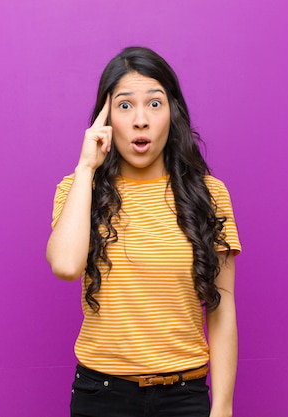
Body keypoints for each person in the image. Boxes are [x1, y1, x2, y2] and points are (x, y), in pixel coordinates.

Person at [46, 46, 241, 417]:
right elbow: (66, 266)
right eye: (124, 106)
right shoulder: (77, 190)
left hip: (184, 396)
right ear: (105, 119)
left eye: (154, 104)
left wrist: (224, 407)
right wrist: (87, 167)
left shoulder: (210, 194)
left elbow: (222, 305)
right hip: (101, 396)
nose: (140, 120)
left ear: (173, 113)